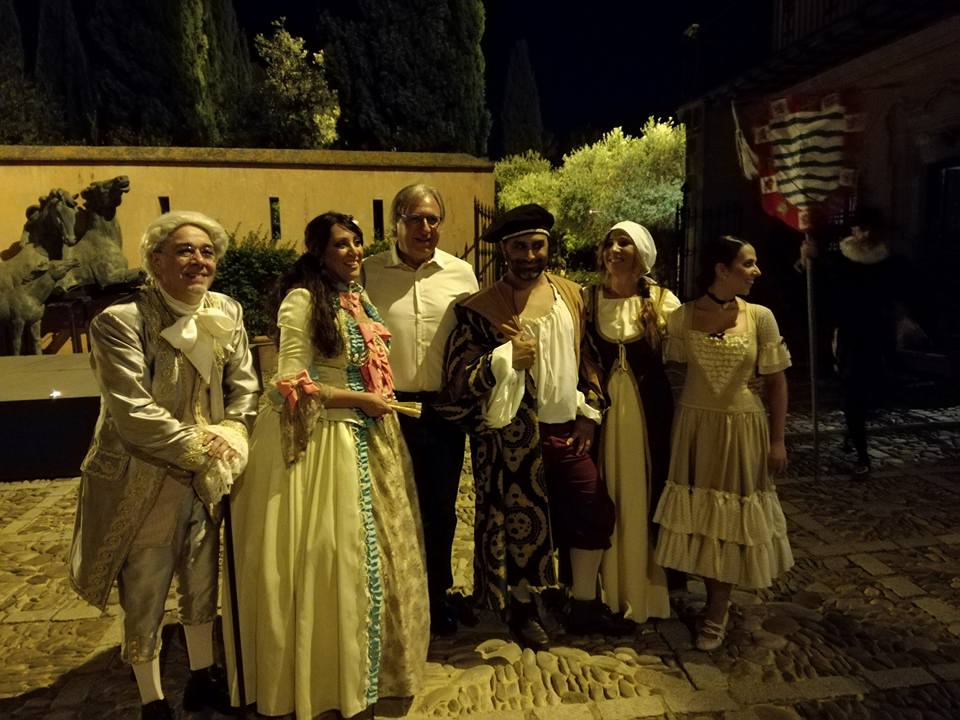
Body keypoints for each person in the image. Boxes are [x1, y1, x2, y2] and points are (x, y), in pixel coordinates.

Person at [224, 212, 429, 719]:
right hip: (324, 442)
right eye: (342, 245)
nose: (354, 252)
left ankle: (373, 671)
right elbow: (289, 382)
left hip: (371, 434)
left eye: (358, 243)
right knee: (331, 556)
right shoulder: (302, 299)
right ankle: (324, 678)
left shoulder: (357, 298)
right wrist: (358, 400)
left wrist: (371, 402)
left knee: (377, 555)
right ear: (319, 253)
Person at [67, 211, 259, 720]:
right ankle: (153, 700)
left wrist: (235, 432)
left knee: (202, 579)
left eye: (207, 251)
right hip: (143, 474)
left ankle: (201, 678)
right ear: (155, 261)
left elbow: (244, 385)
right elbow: (133, 412)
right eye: (184, 251)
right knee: (146, 589)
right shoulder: (119, 322)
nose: (199, 261)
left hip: (209, 475)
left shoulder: (227, 310)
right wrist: (204, 450)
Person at [439, 203, 633, 651]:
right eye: (520, 247)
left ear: (549, 246)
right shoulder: (480, 309)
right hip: (512, 438)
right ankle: (521, 608)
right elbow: (457, 379)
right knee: (521, 525)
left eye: (537, 245)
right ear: (505, 251)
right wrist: (501, 361)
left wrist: (590, 412)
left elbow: (588, 357)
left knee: (593, 509)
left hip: (567, 428)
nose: (530, 255)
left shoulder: (572, 295)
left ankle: (582, 603)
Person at [653, 235, 794, 652]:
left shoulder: (760, 317)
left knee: (730, 521)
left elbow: (778, 381)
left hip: (743, 429)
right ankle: (701, 592)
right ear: (721, 269)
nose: (756, 271)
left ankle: (718, 609)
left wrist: (778, 439)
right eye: (748, 264)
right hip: (695, 429)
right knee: (700, 517)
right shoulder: (680, 318)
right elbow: (663, 368)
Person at [363, 184, 479, 634]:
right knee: (389, 510)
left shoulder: (462, 274)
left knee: (440, 508)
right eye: (415, 218)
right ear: (396, 223)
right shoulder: (370, 273)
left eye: (432, 219)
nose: (425, 228)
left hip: (443, 411)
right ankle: (394, 599)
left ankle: (436, 596)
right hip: (386, 410)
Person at [584, 221, 679, 622]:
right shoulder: (587, 300)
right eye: (610, 242)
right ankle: (601, 588)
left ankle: (646, 590)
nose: (615, 249)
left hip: (649, 415)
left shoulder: (662, 301)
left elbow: (692, 350)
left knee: (645, 492)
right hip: (602, 416)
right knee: (602, 492)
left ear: (641, 253)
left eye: (625, 243)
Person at [799, 208, 898, 477]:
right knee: (853, 389)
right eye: (859, 229)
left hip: (877, 333)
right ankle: (862, 455)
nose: (863, 234)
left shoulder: (887, 260)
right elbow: (820, 282)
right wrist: (809, 260)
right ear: (852, 231)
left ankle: (851, 436)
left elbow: (898, 291)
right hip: (849, 334)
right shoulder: (840, 258)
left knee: (867, 392)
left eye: (868, 229)